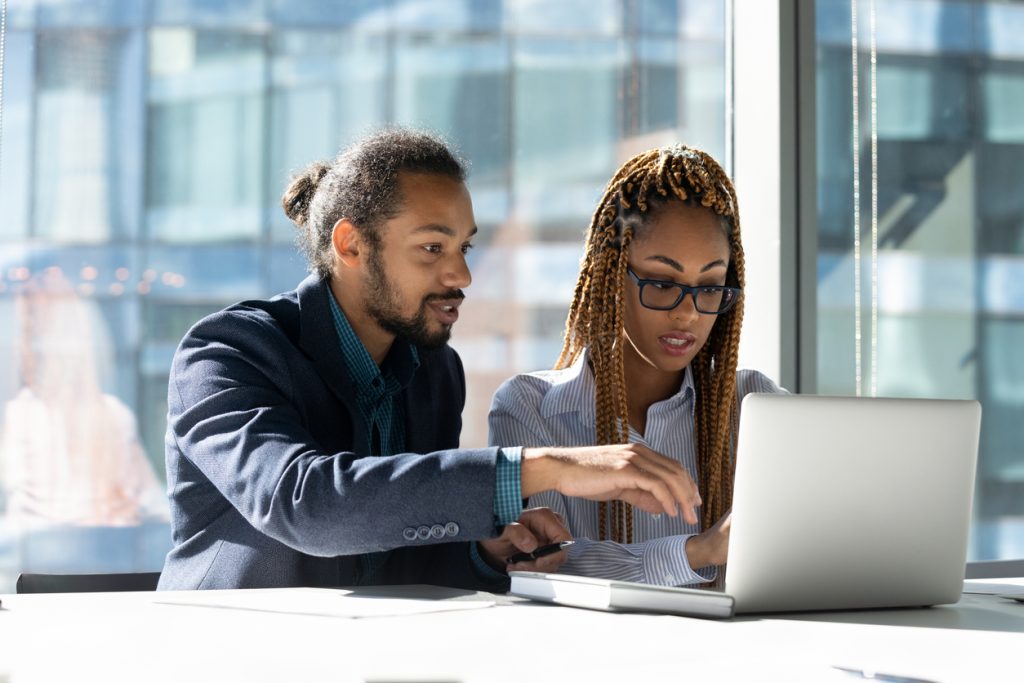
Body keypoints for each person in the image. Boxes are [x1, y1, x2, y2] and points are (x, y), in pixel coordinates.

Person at [159, 128, 701, 591]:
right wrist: (549, 465)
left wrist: (486, 553)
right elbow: (307, 506)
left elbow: (403, 557)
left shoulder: (435, 371)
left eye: (464, 247)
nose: (461, 277)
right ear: (350, 245)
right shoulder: (228, 352)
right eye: (431, 248)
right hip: (235, 655)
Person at [488, 144, 785, 587]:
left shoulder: (753, 404)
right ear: (612, 276)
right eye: (663, 283)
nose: (687, 313)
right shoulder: (529, 408)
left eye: (709, 286)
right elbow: (549, 566)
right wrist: (699, 551)